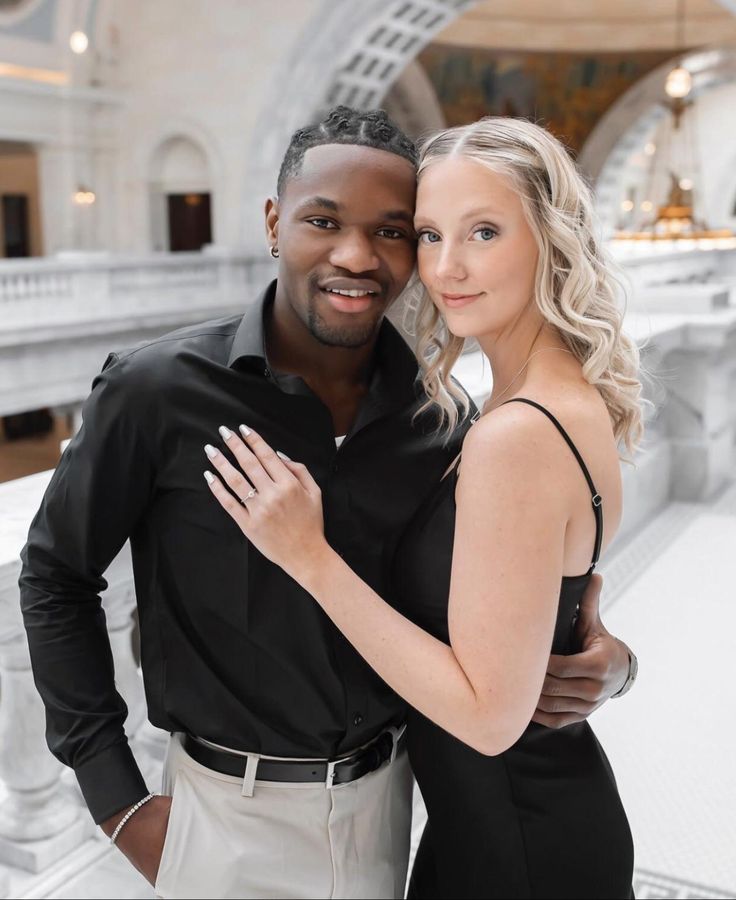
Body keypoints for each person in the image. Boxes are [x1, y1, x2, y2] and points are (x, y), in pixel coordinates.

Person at [19, 108, 635, 900]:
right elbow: (55, 577)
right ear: (275, 223)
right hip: (224, 825)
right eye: (323, 220)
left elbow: (510, 599)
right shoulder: (157, 392)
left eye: (390, 231)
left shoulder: (443, 419)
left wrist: (613, 661)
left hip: (394, 810)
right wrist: (117, 799)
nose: (356, 256)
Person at [203, 117, 640, 899]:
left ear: (552, 237)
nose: (447, 268)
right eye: (431, 235)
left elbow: (485, 716)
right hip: (504, 822)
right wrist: (617, 660)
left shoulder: (517, 433)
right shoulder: (560, 398)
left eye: (483, 231)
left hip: (521, 849)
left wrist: (309, 558)